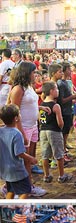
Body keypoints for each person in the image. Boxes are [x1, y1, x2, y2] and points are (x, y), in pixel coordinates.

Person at [9, 61, 47, 196]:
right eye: (33, 72)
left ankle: (25, 185)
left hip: (32, 126)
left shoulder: (29, 87)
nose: (35, 74)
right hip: (23, 127)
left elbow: (29, 104)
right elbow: (14, 112)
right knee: (25, 160)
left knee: (29, 158)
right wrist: (21, 133)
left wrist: (40, 107)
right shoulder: (18, 89)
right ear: (27, 73)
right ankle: (27, 187)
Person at [0, 104, 36, 199]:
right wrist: (30, 158)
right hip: (16, 170)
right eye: (19, 114)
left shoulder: (1, 131)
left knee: (11, 190)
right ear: (16, 118)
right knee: (26, 190)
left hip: (5, 169)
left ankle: (9, 204)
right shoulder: (17, 134)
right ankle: (18, 203)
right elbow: (19, 152)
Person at [39, 81, 72, 183]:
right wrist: (61, 128)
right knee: (59, 154)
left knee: (45, 154)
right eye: (56, 89)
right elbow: (60, 122)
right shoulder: (55, 105)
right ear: (52, 91)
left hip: (43, 130)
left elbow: (39, 118)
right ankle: (61, 176)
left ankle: (46, 175)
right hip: (54, 131)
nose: (58, 91)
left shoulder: (42, 104)